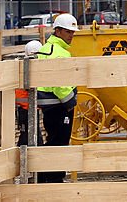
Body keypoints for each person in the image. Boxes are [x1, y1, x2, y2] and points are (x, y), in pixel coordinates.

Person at [36, 14, 78, 183]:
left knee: (53, 139)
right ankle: (54, 179)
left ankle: (44, 175)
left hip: (49, 105)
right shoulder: (59, 53)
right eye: (68, 32)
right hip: (59, 105)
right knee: (59, 142)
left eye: (73, 33)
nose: (71, 36)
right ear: (58, 31)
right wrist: (70, 101)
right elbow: (59, 83)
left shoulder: (47, 48)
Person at [16, 40, 44, 146]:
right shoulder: (27, 68)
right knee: (29, 136)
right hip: (26, 109)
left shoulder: (23, 66)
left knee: (28, 136)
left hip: (27, 108)